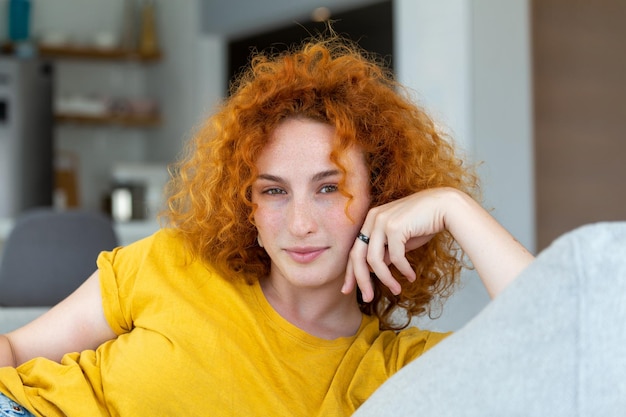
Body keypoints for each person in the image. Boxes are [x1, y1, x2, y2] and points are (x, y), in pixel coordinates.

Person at [0, 35, 534, 416]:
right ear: (246, 206)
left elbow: (577, 350)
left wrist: (452, 207)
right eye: (273, 190)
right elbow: (17, 351)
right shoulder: (174, 260)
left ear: (384, 194)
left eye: (330, 188)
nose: (300, 223)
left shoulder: (394, 369)